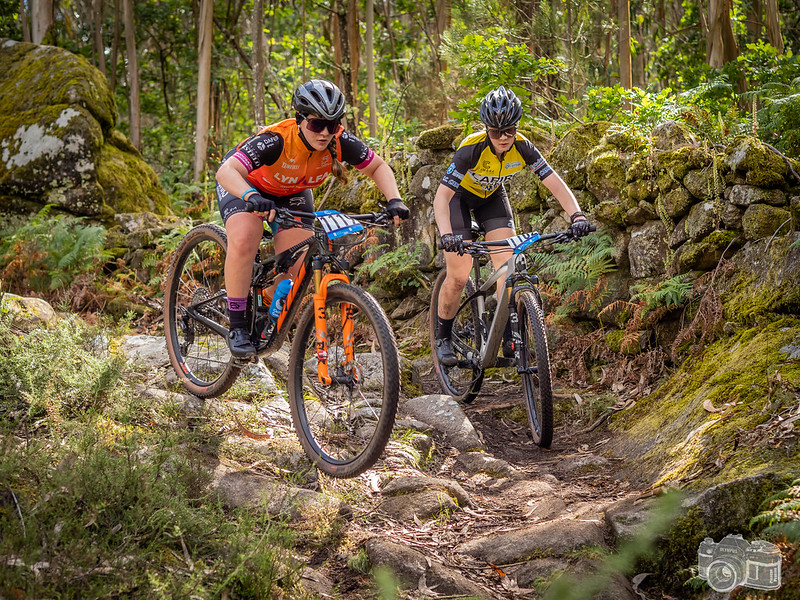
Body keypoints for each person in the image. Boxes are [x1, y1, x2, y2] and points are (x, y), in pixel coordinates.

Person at [216, 79, 409, 357]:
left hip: (291, 191)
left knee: (297, 266)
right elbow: (226, 171)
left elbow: (377, 166)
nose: (325, 133)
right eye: (317, 124)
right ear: (299, 119)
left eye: (333, 125)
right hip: (246, 185)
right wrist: (249, 196)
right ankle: (237, 325)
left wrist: (395, 200)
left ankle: (265, 300)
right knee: (246, 237)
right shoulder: (276, 140)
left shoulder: (339, 141)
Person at [432, 86, 591, 367]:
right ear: (486, 129)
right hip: (458, 200)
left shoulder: (523, 146)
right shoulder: (471, 149)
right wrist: (447, 236)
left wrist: (576, 215)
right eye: (496, 132)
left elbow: (554, 182)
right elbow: (441, 197)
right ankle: (443, 337)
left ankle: (508, 337)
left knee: (508, 268)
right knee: (458, 276)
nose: (504, 138)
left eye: (510, 130)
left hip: (491, 198)